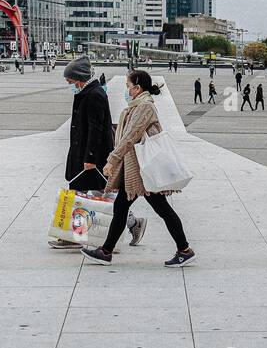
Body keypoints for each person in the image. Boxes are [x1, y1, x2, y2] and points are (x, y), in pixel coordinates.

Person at [81, 70, 195, 267]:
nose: (127, 90)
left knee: (162, 209)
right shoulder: (137, 106)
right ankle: (106, 251)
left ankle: (184, 250)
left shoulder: (144, 106)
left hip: (143, 170)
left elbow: (132, 134)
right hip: (136, 169)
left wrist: (112, 159)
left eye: (128, 86)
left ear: (137, 87)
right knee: (122, 208)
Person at [57, 55, 144, 251]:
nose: (68, 84)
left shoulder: (94, 94)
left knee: (89, 194)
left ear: (79, 78)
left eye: (69, 80)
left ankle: (76, 235)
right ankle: (132, 223)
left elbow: (96, 129)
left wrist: (90, 158)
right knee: (93, 194)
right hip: (83, 153)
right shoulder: (85, 92)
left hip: (91, 157)